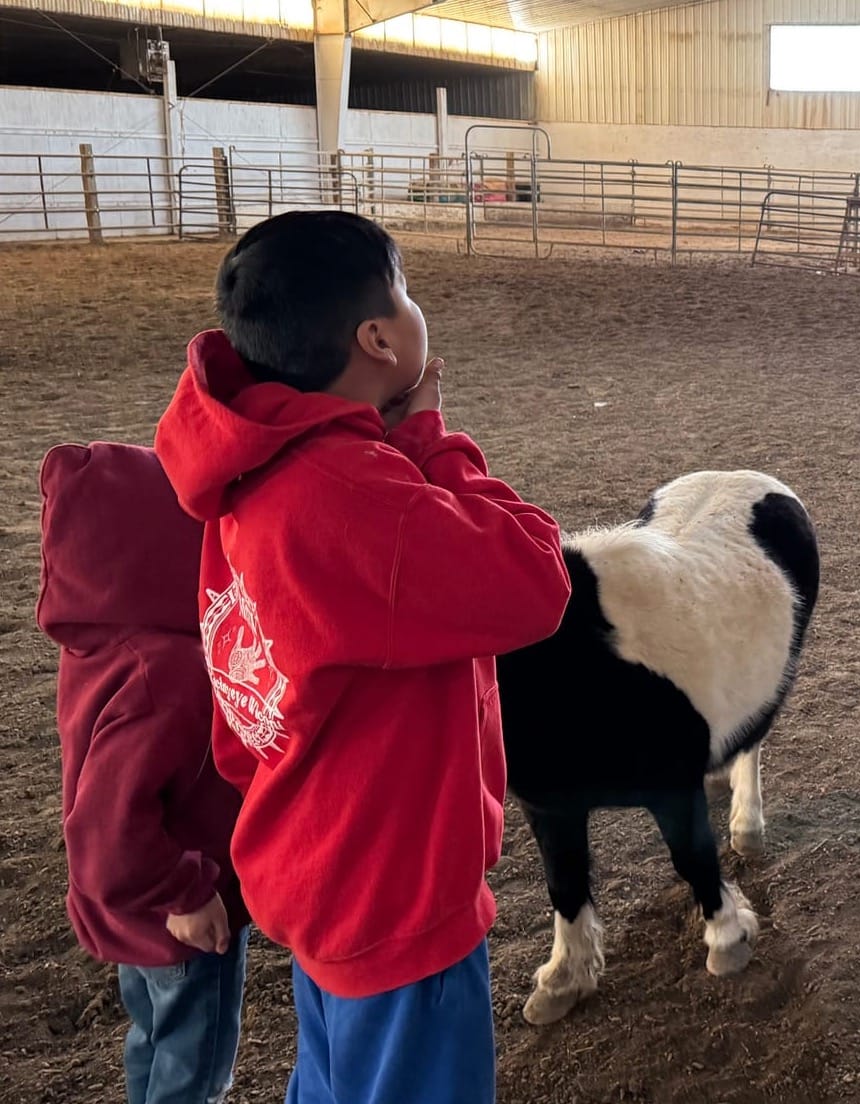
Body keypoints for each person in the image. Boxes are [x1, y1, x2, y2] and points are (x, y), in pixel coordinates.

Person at [153, 210, 573, 1104]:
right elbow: (536, 578)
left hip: (312, 855)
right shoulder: (350, 494)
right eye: (408, 289)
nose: (419, 308)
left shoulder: (252, 464)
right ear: (376, 338)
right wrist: (430, 442)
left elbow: (246, 689)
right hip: (394, 888)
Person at [37, 440, 250, 1104]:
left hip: (141, 924)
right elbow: (106, 834)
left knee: (153, 1039)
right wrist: (185, 892)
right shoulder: (167, 671)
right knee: (195, 1072)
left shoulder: (96, 646)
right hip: (183, 921)